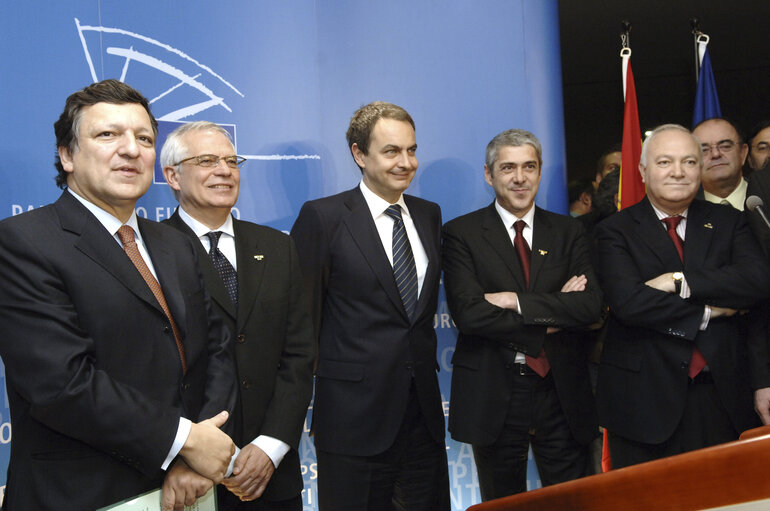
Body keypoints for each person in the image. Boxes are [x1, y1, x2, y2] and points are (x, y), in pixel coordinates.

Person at [0, 80, 238, 511]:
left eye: (145, 138)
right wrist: (185, 441)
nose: (132, 150)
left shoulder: (175, 243)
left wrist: (197, 458)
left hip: (190, 489)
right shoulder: (22, 242)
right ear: (67, 155)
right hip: (84, 494)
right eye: (108, 135)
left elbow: (217, 350)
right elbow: (62, 384)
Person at [291, 101, 449, 510]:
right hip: (353, 420)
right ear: (359, 155)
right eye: (392, 151)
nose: (406, 162)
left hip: (423, 417)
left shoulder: (429, 215)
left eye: (412, 150)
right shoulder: (323, 218)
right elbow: (302, 321)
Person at [594, 124, 770, 469]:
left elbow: (756, 282)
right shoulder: (613, 231)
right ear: (643, 172)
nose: (678, 172)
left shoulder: (731, 221)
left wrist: (679, 281)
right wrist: (710, 311)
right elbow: (630, 303)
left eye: (689, 162)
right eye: (665, 162)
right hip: (644, 401)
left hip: (725, 394)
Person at [161, 121, 315, 511]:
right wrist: (182, 454)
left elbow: (299, 356)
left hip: (271, 475)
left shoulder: (278, 247)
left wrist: (271, 445)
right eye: (207, 160)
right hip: (186, 479)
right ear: (172, 176)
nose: (224, 171)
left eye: (232, 161)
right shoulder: (150, 251)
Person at [442, 129, 602, 500]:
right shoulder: (461, 233)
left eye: (529, 167)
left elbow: (591, 306)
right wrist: (553, 315)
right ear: (489, 174)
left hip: (562, 392)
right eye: (508, 168)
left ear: (540, 171)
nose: (519, 178)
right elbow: (470, 315)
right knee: (503, 504)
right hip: (496, 390)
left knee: (571, 502)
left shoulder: (569, 231)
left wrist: (516, 301)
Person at [692, 118, 749, 209]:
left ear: (743, 153)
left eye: (725, 146)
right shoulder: (683, 209)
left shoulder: (764, 195)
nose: (715, 154)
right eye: (704, 150)